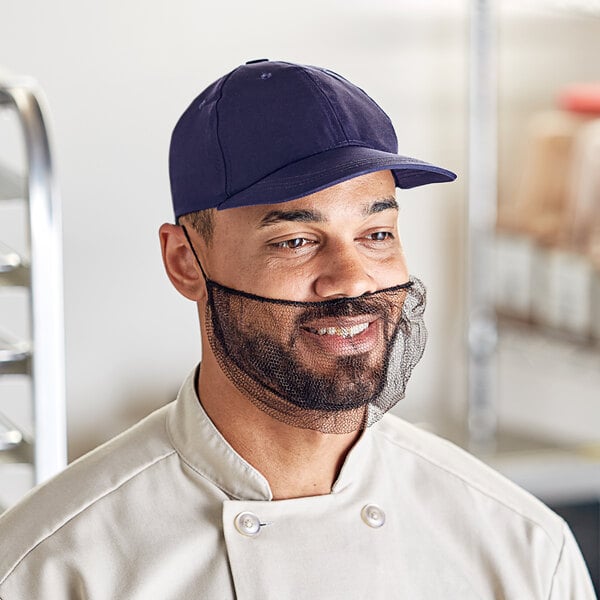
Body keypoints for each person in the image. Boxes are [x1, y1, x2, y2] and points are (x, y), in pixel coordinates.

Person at [0, 59, 595, 599]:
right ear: (185, 262)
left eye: (377, 234)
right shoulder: (52, 567)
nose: (352, 280)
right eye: (296, 241)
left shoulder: (525, 550)